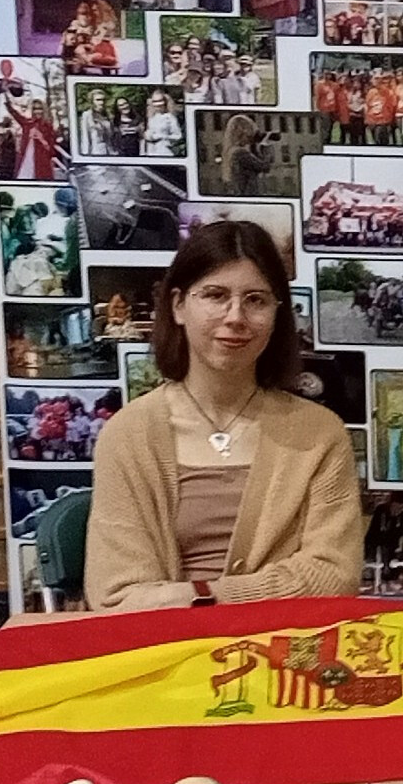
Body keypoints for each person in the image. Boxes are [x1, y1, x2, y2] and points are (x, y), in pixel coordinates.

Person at [86, 221, 361, 609]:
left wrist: (204, 596)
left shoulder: (320, 434)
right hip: (168, 643)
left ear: (277, 313)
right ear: (178, 306)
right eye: (215, 296)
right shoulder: (127, 435)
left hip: (288, 640)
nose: (236, 317)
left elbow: (334, 575)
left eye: (256, 300)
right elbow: (116, 596)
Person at [219, 114, 273, 196]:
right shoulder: (240, 153)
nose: (249, 140)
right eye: (248, 136)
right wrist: (266, 147)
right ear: (241, 134)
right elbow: (265, 167)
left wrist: (255, 146)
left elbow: (255, 165)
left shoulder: (231, 151)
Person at [142, 91, 182, 157]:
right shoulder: (151, 117)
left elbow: (178, 136)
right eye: (155, 102)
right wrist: (147, 135)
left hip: (165, 152)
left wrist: (161, 136)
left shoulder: (170, 117)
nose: (158, 105)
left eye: (160, 101)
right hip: (151, 152)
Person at [77, 88, 111, 156]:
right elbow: (85, 137)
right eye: (98, 100)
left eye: (103, 100)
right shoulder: (87, 115)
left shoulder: (108, 116)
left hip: (110, 152)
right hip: (96, 152)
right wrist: (85, 154)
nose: (101, 102)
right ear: (92, 101)